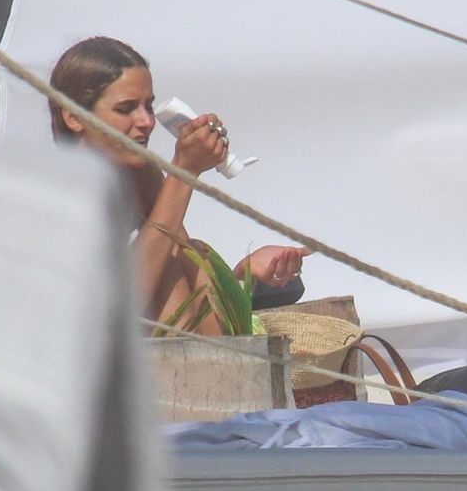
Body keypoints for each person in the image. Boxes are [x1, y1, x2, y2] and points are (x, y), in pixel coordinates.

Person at [48, 36, 307, 333]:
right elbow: (116, 310)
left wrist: (243, 275)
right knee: (171, 267)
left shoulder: (139, 174)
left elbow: (187, 265)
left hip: (145, 342)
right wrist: (184, 171)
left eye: (148, 106)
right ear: (74, 117)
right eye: (126, 109)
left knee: (192, 252)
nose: (146, 121)